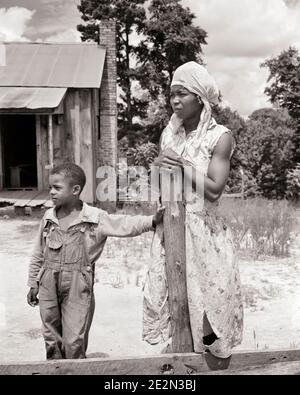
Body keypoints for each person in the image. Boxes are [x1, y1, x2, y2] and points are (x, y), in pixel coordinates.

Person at [143, 61, 243, 359]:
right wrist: (161, 172)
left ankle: (208, 362)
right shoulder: (169, 134)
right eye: (172, 93)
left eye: (183, 94)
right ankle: (180, 359)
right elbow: (163, 184)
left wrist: (183, 166)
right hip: (172, 225)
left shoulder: (219, 137)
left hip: (205, 231)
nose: (175, 100)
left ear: (199, 97)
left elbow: (213, 190)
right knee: (176, 300)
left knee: (208, 305)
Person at [27, 163, 164, 360]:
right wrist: (33, 282)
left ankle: (74, 371)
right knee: (51, 336)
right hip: (47, 282)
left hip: (78, 284)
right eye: (50, 187)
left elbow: (124, 224)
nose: (51, 192)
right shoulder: (49, 217)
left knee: (74, 340)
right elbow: (39, 252)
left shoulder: (94, 218)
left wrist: (151, 220)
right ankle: (55, 370)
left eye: (57, 188)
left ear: (75, 190)